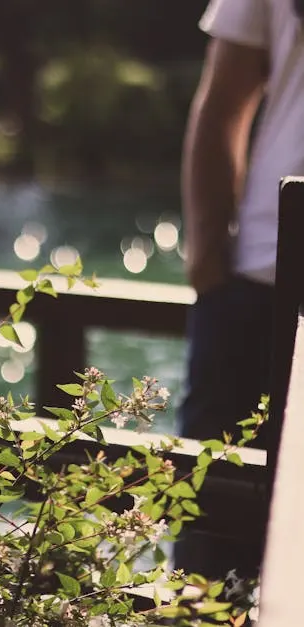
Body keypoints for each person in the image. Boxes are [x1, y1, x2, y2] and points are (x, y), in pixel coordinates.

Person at [179, 0, 304, 579]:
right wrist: (208, 260)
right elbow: (224, 96)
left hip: (256, 281)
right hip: (259, 280)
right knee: (210, 550)